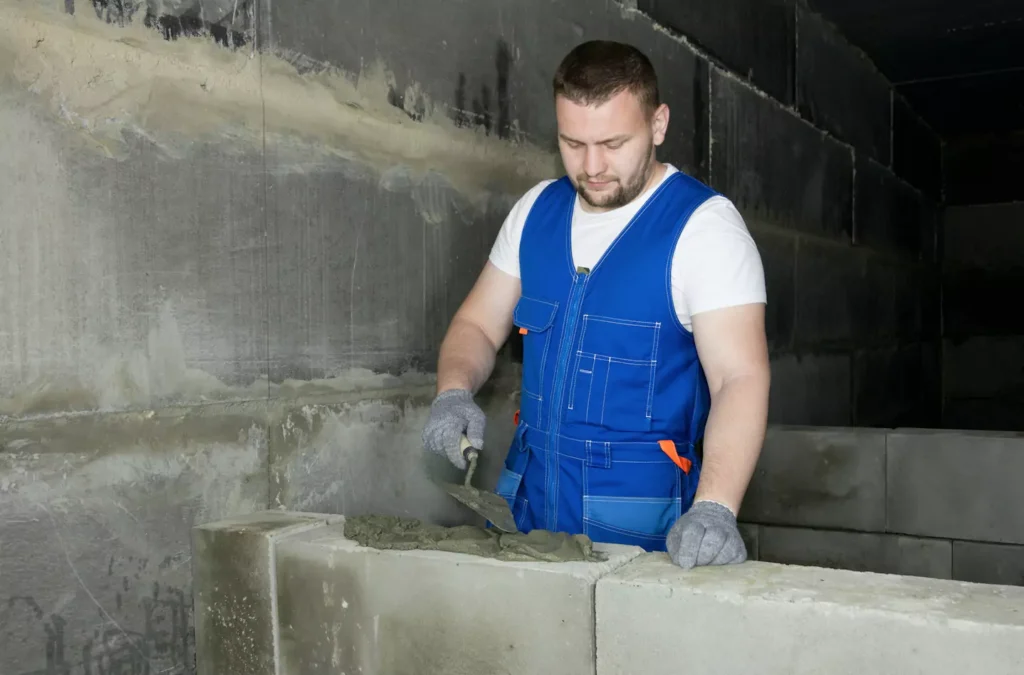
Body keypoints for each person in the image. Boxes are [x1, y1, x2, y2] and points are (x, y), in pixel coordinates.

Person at [422, 40, 770, 569]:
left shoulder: (704, 229)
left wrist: (717, 506)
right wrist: (452, 392)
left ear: (658, 124)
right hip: (527, 513)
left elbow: (740, 378)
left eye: (612, 142)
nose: (592, 166)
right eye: (572, 143)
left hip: (640, 529)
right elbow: (476, 322)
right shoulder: (536, 212)